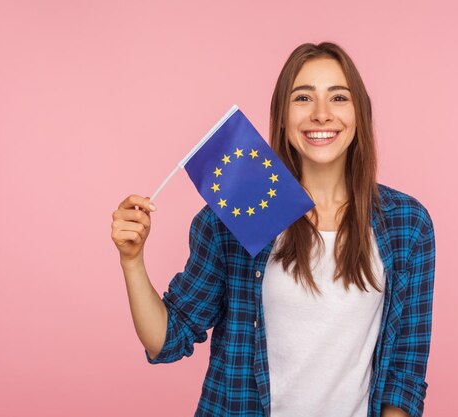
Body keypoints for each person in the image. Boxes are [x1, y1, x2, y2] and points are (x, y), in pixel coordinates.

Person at [111, 42, 436, 417]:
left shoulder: (407, 224)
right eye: (302, 98)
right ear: (282, 116)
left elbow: (404, 369)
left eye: (338, 98)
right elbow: (167, 340)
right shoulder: (236, 215)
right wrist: (132, 261)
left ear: (359, 114)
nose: (321, 114)